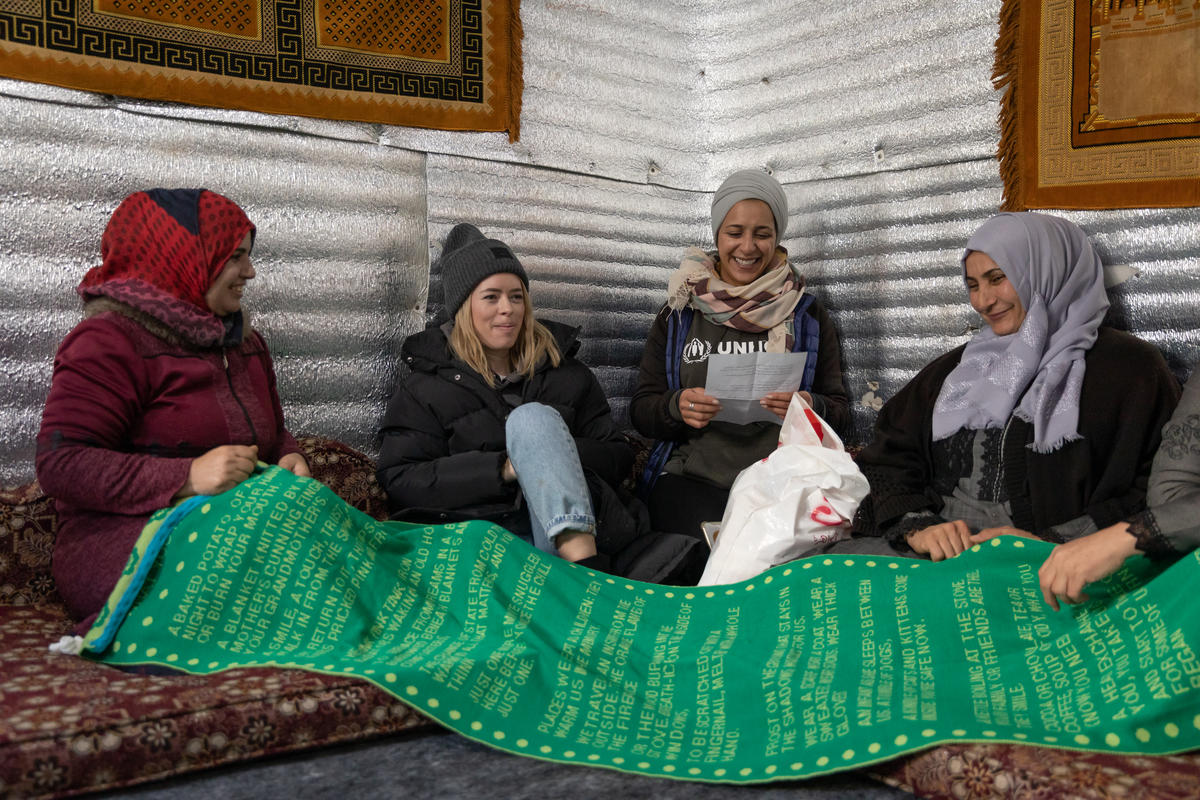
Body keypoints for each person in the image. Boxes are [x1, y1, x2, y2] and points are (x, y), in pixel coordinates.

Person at [37, 189, 309, 630]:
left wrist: (287, 457)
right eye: (235, 256)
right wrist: (186, 478)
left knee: (352, 558)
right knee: (272, 584)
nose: (250, 272)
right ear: (181, 257)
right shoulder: (110, 343)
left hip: (238, 522)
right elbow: (62, 463)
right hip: (127, 539)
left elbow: (275, 435)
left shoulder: (246, 345)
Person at [851, 212, 1180, 560]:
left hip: (1061, 562)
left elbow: (1157, 489)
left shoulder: (1130, 369)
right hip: (938, 554)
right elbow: (886, 458)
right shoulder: (957, 369)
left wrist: (1056, 541)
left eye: (997, 278)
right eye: (974, 285)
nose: (982, 301)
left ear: (1048, 270)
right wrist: (919, 526)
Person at [378, 223, 672, 573]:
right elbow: (401, 480)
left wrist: (548, 454)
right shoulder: (424, 388)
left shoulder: (568, 375)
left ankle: (581, 574)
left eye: (516, 296)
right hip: (485, 538)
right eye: (491, 297)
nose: (508, 309)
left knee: (534, 421)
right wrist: (504, 468)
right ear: (463, 308)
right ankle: (580, 585)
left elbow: (617, 456)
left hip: (582, 533)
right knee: (532, 425)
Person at [630, 169, 848, 540]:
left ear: (777, 237)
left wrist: (811, 407)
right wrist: (675, 406)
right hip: (694, 482)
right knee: (714, 544)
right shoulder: (682, 311)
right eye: (735, 233)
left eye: (762, 234)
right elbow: (640, 410)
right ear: (717, 234)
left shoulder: (806, 314)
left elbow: (841, 413)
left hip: (782, 484)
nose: (747, 247)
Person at [1039, 367, 1200, 609]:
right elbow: (1168, 495)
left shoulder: (1131, 363)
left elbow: (1141, 500)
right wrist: (1041, 541)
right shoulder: (964, 364)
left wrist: (1130, 536)